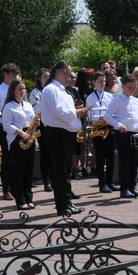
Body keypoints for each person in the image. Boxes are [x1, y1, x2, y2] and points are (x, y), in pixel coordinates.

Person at [41, 61, 87, 217]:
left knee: (65, 170)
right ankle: (62, 206)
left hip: (66, 133)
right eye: (69, 73)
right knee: (60, 171)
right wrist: (78, 113)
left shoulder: (62, 91)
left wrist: (77, 111)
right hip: (58, 133)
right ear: (63, 72)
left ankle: (67, 202)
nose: (70, 77)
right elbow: (57, 112)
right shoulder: (51, 89)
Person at [106, 73, 138, 199]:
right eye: (130, 87)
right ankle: (124, 189)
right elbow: (108, 116)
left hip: (135, 133)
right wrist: (118, 125)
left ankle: (132, 186)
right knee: (125, 162)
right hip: (123, 134)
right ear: (123, 86)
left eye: (134, 87)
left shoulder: (135, 100)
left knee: (135, 161)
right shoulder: (117, 100)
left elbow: (137, 116)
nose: (132, 90)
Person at [1, 79, 37, 210]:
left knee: (29, 170)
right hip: (17, 139)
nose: (22, 91)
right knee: (18, 171)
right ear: (13, 91)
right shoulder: (9, 106)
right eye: (19, 89)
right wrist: (20, 132)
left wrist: (35, 125)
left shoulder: (27, 105)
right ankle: (20, 200)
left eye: (23, 89)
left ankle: (29, 197)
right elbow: (6, 125)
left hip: (30, 137)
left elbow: (31, 119)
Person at [0, 63, 20, 200]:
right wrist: (5, 116)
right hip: (5, 128)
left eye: (16, 75)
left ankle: (16, 187)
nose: (15, 77)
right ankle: (6, 189)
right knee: (6, 159)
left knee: (16, 159)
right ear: (6, 74)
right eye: (12, 75)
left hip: (17, 128)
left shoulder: (17, 89)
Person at [85, 70, 116, 193]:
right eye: (100, 81)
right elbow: (88, 116)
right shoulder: (90, 98)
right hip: (98, 128)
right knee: (100, 157)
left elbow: (113, 112)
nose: (103, 83)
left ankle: (110, 181)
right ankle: (102, 183)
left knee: (111, 157)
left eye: (104, 81)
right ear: (94, 83)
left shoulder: (109, 96)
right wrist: (99, 118)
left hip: (109, 127)